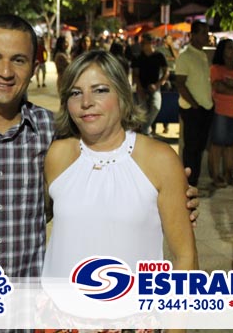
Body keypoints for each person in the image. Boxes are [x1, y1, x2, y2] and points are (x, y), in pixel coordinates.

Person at [0, 14, 200, 279]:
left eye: (19, 60)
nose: (6, 72)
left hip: (30, 298)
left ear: (34, 68)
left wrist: (174, 193)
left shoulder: (50, 132)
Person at [42, 49, 197, 286]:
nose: (86, 102)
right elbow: (37, 215)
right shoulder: (57, 155)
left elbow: (185, 257)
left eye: (100, 90)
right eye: (75, 93)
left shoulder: (159, 159)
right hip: (58, 306)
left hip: (133, 307)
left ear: (122, 94)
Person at [175, 20, 214, 187]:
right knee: (191, 148)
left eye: (207, 32)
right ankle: (189, 182)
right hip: (192, 109)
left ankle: (194, 181)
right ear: (194, 35)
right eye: (203, 33)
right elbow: (180, 84)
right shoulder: (185, 56)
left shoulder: (202, 55)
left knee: (199, 148)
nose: (207, 36)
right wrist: (194, 105)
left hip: (206, 107)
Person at [209, 38, 233, 188]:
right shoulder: (216, 69)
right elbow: (219, 87)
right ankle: (216, 176)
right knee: (218, 145)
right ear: (222, 51)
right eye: (229, 48)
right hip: (222, 112)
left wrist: (232, 84)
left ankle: (229, 174)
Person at [131, 33, 169, 136]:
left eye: (144, 42)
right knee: (143, 109)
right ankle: (146, 131)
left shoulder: (159, 56)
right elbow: (135, 74)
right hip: (141, 86)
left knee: (156, 106)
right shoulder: (138, 57)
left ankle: (144, 128)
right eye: (141, 42)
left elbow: (166, 72)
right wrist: (139, 88)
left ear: (151, 43)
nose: (141, 45)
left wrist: (157, 84)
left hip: (155, 87)